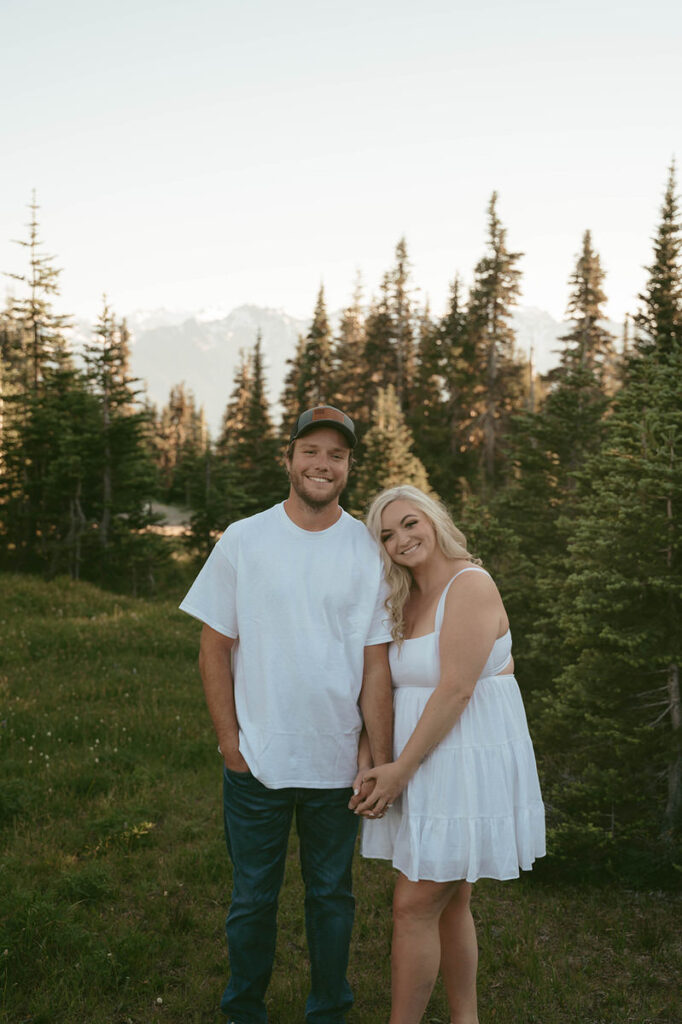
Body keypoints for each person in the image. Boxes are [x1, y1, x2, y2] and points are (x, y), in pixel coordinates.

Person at [179, 404, 392, 1024]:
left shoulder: (366, 548)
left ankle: (328, 1010)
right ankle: (244, 1009)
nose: (323, 464)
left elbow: (376, 665)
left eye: (337, 455)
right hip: (257, 762)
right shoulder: (245, 538)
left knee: (331, 897)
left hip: (336, 763)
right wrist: (229, 744)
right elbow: (214, 648)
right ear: (290, 458)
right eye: (312, 451)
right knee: (252, 898)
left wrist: (377, 756)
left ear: (349, 466)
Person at [356, 485, 545, 1024]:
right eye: (387, 535)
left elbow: (457, 689)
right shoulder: (402, 595)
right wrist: (372, 757)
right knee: (450, 898)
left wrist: (399, 771)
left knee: (413, 904)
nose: (402, 539)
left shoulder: (470, 584)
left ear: (435, 519)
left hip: (463, 760)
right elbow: (386, 686)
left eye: (410, 523)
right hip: (420, 760)